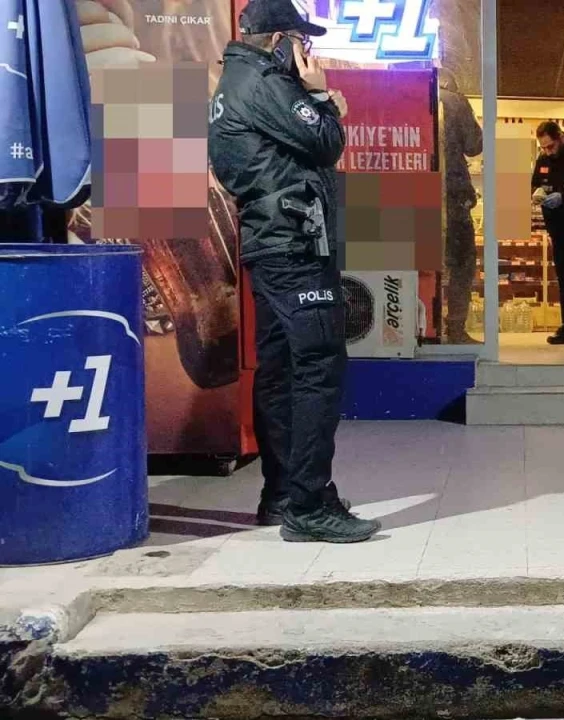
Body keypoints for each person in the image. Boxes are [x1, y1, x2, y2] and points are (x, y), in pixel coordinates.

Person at [209, 0, 380, 542]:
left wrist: (314, 104)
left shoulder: (240, 81)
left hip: (273, 244)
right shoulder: (265, 85)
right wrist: (321, 97)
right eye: (302, 40)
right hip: (295, 244)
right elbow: (327, 144)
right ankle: (309, 504)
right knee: (319, 366)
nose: (307, 50)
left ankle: (282, 493)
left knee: (281, 368)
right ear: (279, 39)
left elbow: (299, 142)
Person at [440, 69, 483, 344]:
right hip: (452, 194)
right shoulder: (455, 100)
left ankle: (421, 326)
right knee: (462, 261)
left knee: (415, 262)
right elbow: (474, 145)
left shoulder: (400, 93)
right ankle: (455, 328)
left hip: (409, 190)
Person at [531, 122, 564, 344]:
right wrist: (537, 193)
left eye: (550, 146)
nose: (547, 152)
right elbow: (535, 182)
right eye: (543, 147)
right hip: (557, 229)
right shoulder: (543, 159)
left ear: (560, 137)